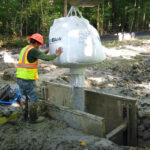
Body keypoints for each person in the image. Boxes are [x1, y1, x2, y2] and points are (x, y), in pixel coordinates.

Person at [16, 33, 62, 122]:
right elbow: (46, 58)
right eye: (39, 45)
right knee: (34, 98)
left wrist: (45, 52)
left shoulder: (25, 49)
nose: (39, 46)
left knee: (23, 97)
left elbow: (32, 57)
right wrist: (57, 54)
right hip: (28, 79)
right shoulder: (33, 50)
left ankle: (24, 117)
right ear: (36, 43)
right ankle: (33, 119)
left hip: (20, 78)